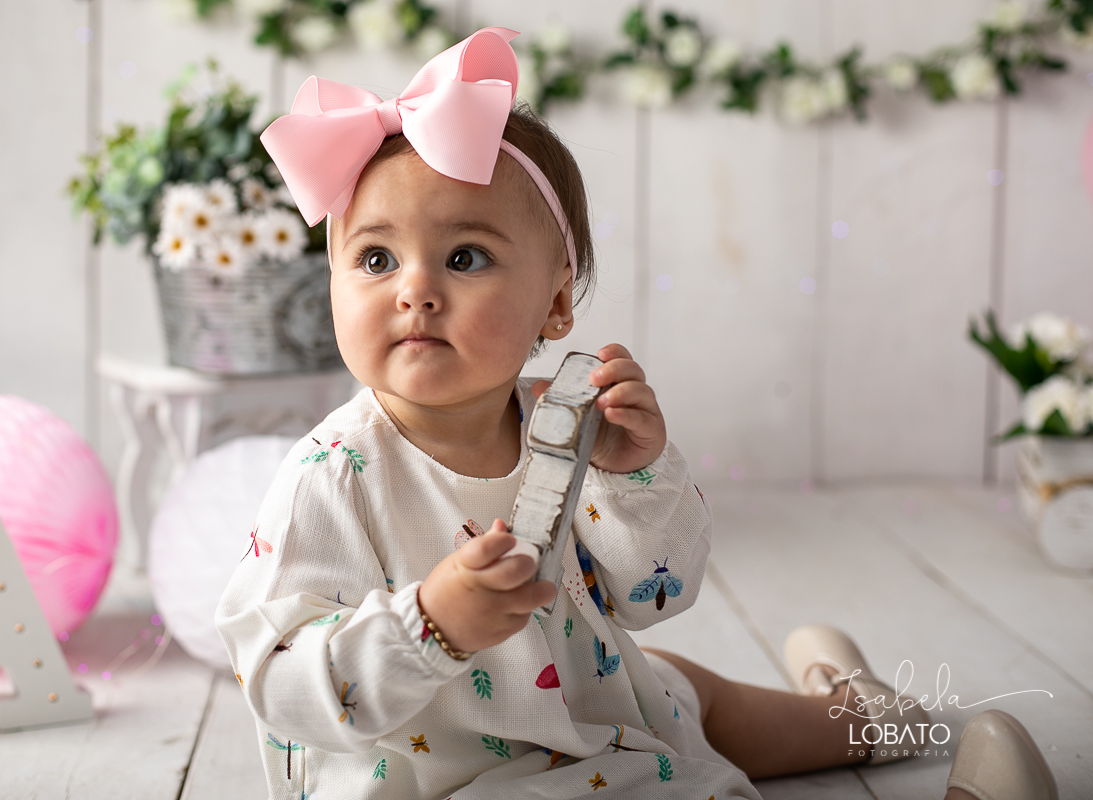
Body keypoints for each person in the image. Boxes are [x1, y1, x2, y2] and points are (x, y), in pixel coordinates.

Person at [215, 27, 1057, 800]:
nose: (416, 290)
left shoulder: (567, 426)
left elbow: (656, 596)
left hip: (588, 706)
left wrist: (632, 477)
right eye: (375, 258)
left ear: (555, 304)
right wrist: (428, 627)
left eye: (464, 257)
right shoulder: (332, 477)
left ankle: (865, 713)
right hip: (454, 779)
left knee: (690, 696)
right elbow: (280, 682)